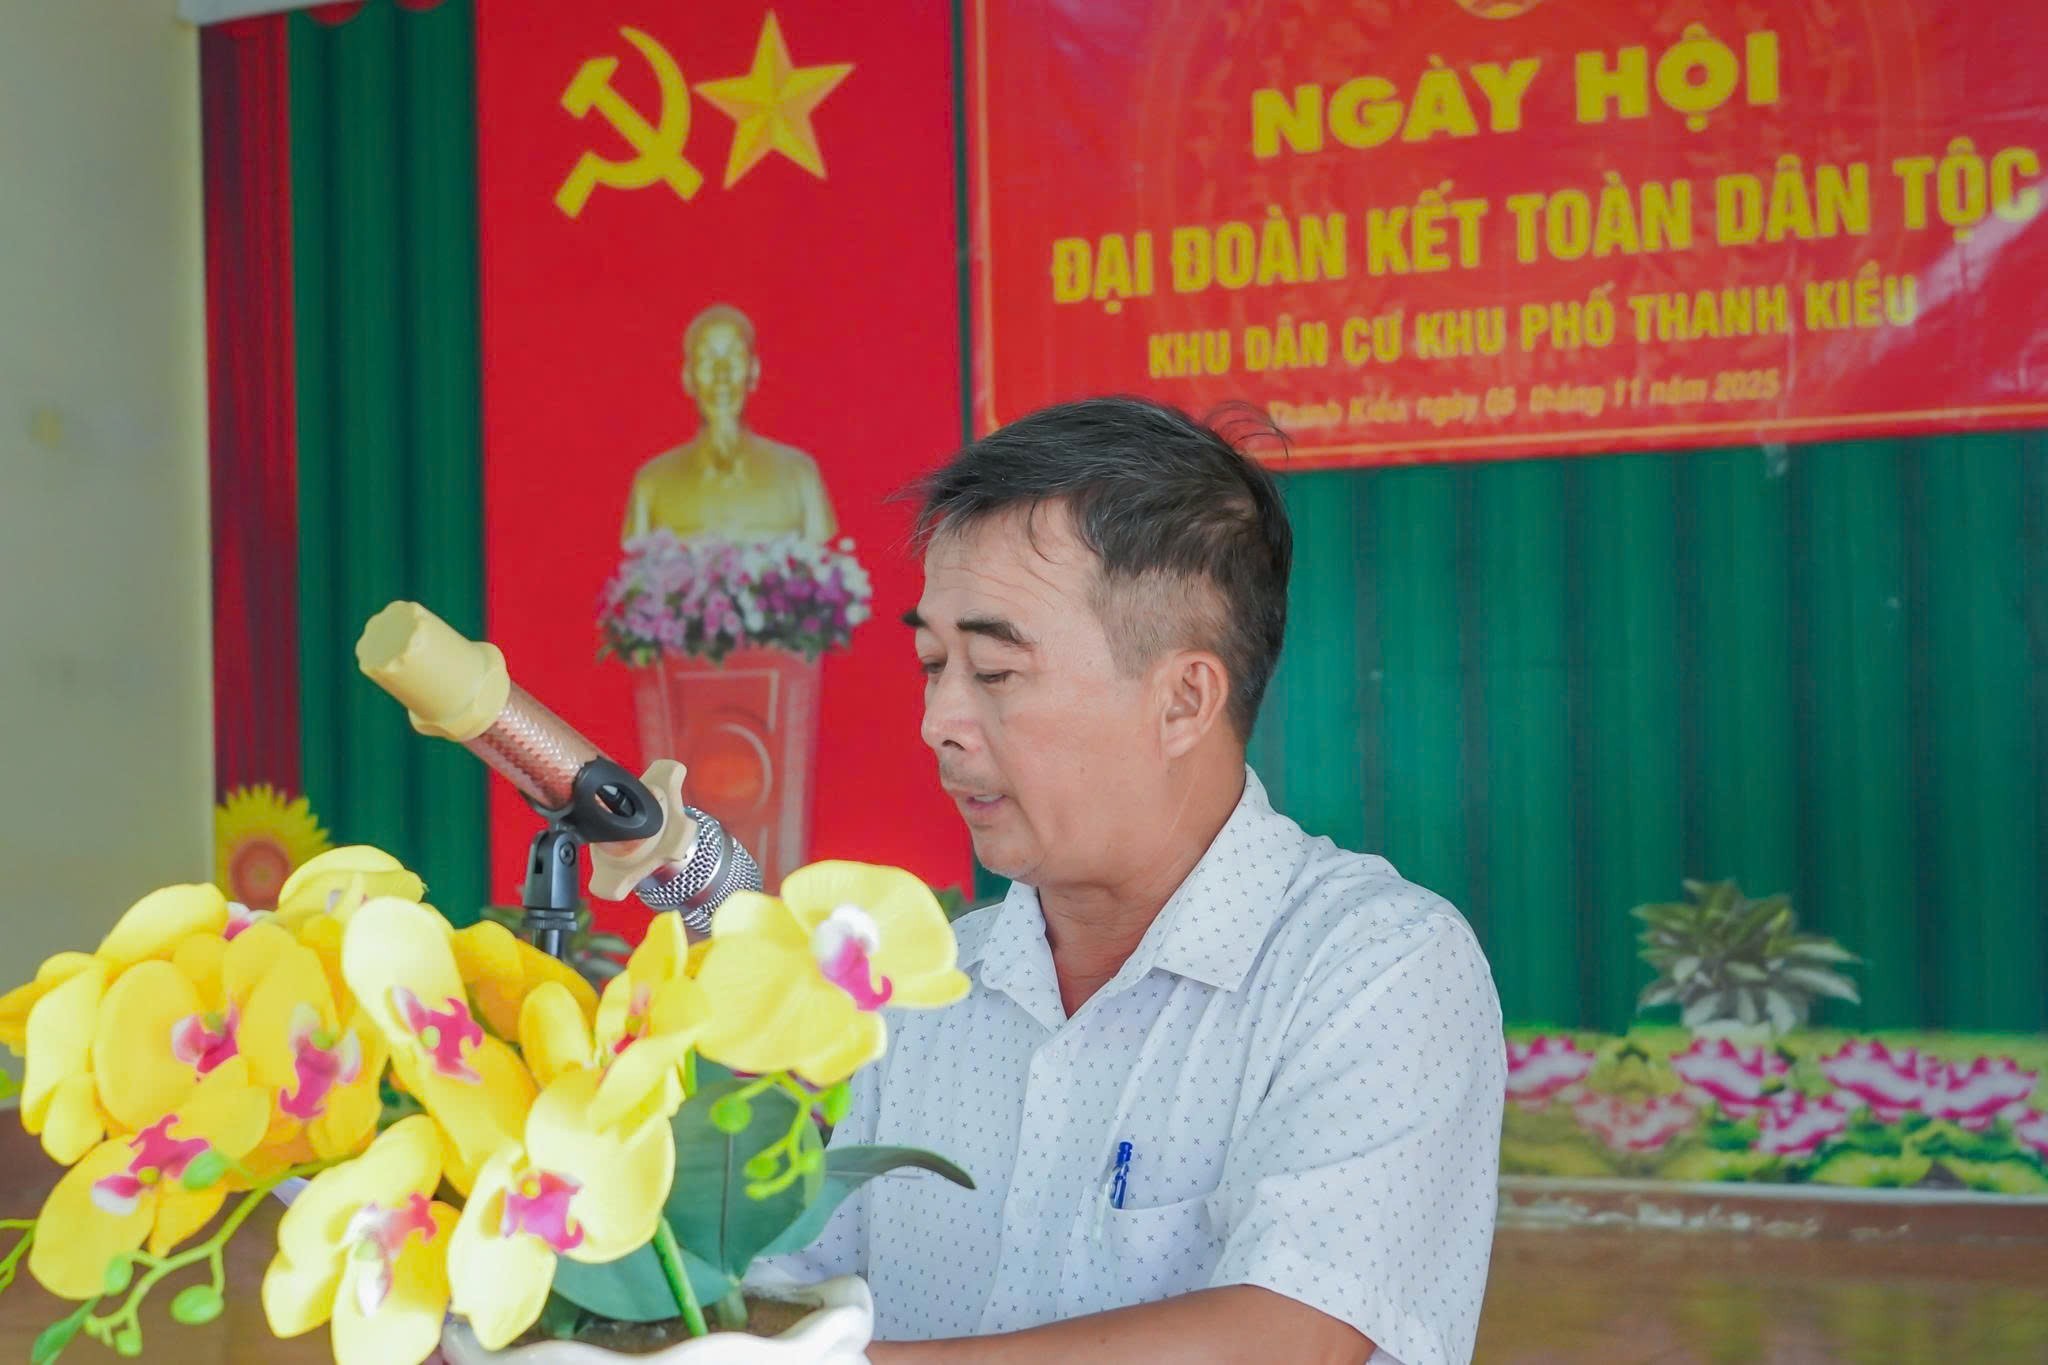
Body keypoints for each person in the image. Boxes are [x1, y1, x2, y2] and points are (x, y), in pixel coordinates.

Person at [773, 396, 1504, 1364]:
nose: (937, 721)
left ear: (1183, 700)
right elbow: (781, 1293)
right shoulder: (919, 992)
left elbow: (1294, 1336)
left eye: (993, 671)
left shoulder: (1376, 968)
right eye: (931, 662)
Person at [620, 303, 838, 546]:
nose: (721, 376)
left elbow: (821, 555)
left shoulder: (799, 475)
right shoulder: (652, 484)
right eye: (706, 360)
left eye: (734, 358)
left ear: (754, 372)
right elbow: (636, 560)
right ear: (687, 377)